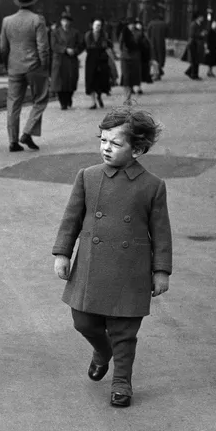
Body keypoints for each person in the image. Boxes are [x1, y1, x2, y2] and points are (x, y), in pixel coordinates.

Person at [52, 106, 172, 408]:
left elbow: (161, 233)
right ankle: (102, 351)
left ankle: (121, 382)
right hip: (91, 266)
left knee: (124, 331)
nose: (107, 147)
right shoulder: (88, 177)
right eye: (103, 140)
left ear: (138, 149)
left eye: (116, 143)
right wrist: (62, 253)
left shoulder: (153, 186)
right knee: (83, 321)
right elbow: (71, 219)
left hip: (130, 271)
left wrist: (161, 271)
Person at [0, 0, 50, 152]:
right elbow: (43, 47)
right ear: (32, 3)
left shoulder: (7, 21)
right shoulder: (37, 20)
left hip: (14, 66)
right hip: (34, 65)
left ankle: (12, 141)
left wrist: (8, 64)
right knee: (40, 99)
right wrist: (45, 65)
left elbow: (3, 47)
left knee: (13, 104)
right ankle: (27, 132)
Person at [50, 12, 85, 110]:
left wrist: (75, 51)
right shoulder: (55, 33)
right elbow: (54, 45)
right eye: (63, 21)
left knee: (71, 81)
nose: (65, 23)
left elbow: (81, 45)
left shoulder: (76, 33)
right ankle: (62, 102)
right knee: (59, 83)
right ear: (61, 22)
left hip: (71, 60)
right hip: (59, 60)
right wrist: (65, 49)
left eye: (67, 21)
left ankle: (69, 97)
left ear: (70, 23)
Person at [84, 18, 114, 110]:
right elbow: (85, 46)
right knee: (91, 80)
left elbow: (108, 46)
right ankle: (93, 102)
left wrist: (112, 57)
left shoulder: (104, 35)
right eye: (96, 25)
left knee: (101, 80)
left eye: (100, 25)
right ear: (92, 26)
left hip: (102, 59)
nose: (98, 27)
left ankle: (99, 95)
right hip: (91, 59)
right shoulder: (88, 35)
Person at [119, 21, 142, 103]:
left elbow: (142, 45)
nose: (131, 26)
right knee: (126, 77)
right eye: (130, 24)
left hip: (135, 58)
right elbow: (121, 45)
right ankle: (127, 98)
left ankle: (129, 95)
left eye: (132, 24)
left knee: (132, 78)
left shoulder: (138, 34)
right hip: (125, 58)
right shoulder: (124, 33)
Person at [146, 12, 167, 80]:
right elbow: (167, 34)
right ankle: (159, 71)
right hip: (161, 43)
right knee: (160, 58)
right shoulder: (164, 24)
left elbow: (148, 34)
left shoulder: (150, 23)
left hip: (152, 43)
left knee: (154, 58)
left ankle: (157, 73)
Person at [184, 12, 205, 80]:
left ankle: (191, 73)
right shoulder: (193, 24)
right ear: (198, 17)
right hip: (193, 44)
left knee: (196, 60)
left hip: (197, 44)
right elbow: (192, 34)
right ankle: (194, 74)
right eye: (201, 17)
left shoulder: (199, 24)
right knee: (195, 60)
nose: (203, 18)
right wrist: (201, 34)